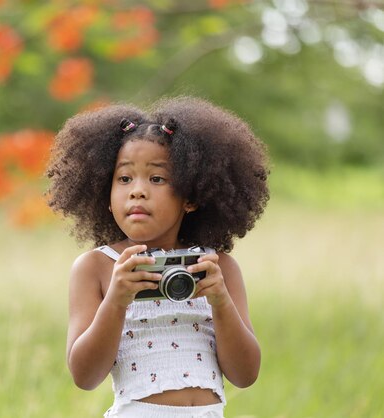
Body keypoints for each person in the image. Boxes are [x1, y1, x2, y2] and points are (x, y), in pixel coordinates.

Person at [45, 96, 270, 417]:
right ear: (104, 195)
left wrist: (220, 300)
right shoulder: (97, 267)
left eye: (157, 178)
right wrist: (117, 299)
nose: (137, 190)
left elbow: (245, 375)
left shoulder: (217, 268)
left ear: (190, 197)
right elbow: (84, 375)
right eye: (124, 179)